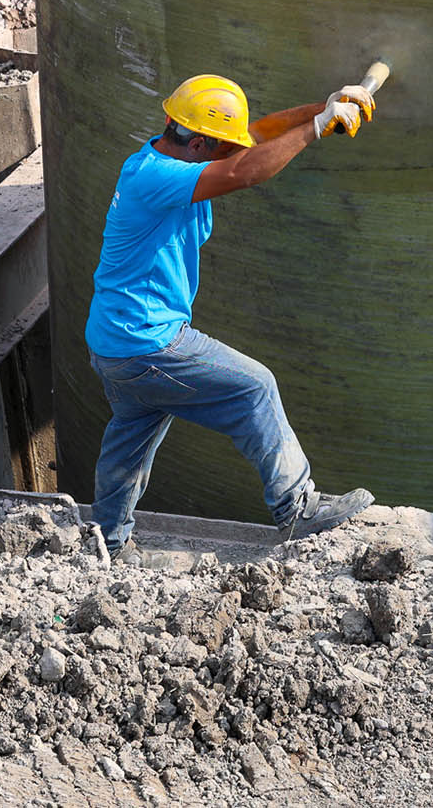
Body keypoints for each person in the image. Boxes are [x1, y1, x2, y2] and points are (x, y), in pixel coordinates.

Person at [85, 72, 379, 558]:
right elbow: (244, 170)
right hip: (147, 342)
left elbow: (257, 137)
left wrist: (320, 109)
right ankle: (295, 506)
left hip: (113, 341)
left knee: (130, 440)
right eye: (222, 146)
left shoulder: (164, 153)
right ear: (198, 142)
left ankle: (109, 545)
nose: (233, 151)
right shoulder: (158, 178)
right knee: (255, 386)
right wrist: (316, 128)